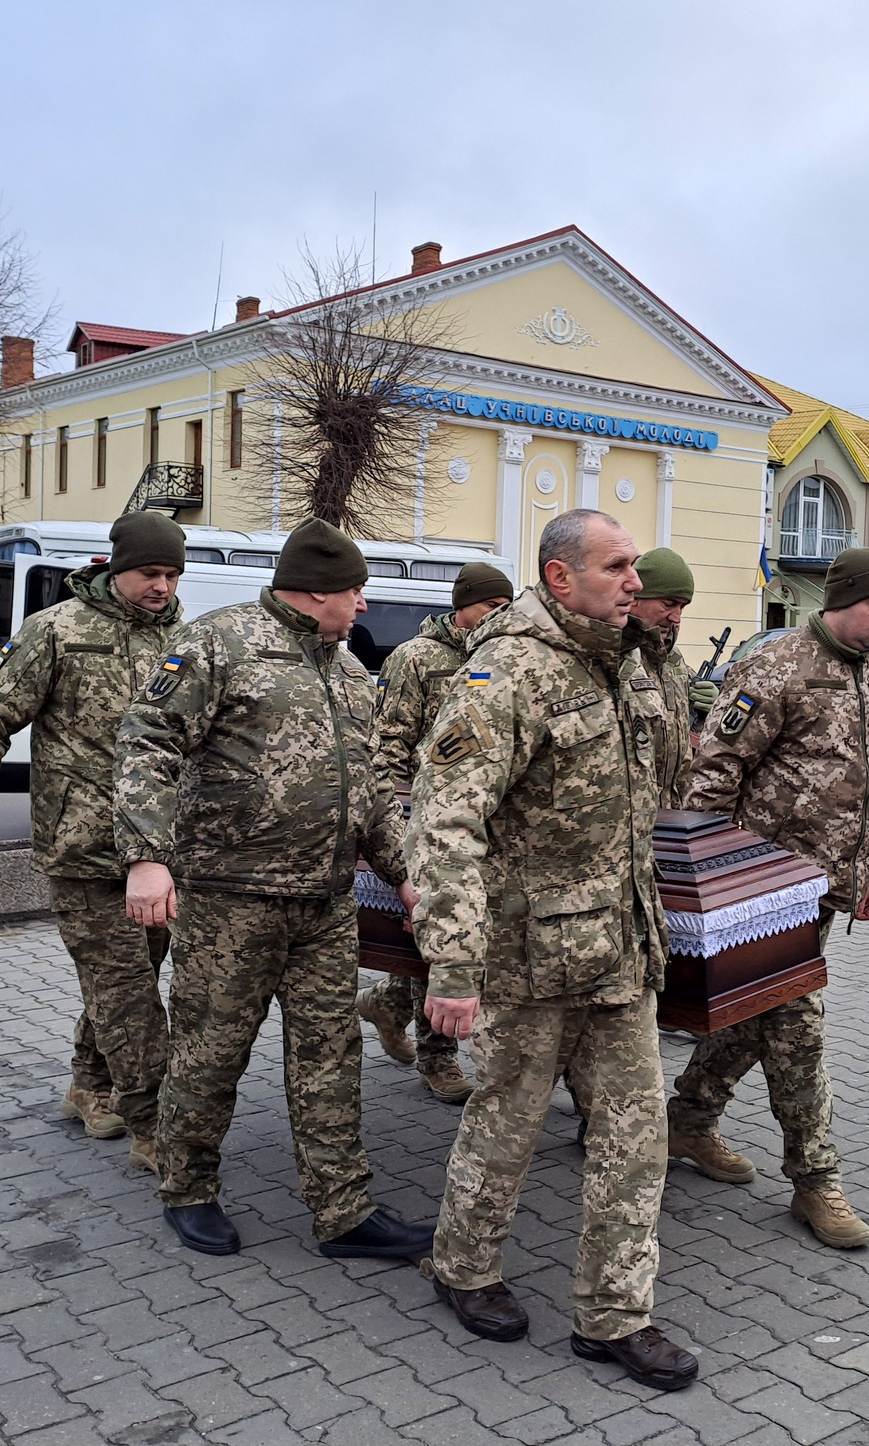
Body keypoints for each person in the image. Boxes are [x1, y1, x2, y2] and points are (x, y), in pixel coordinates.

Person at [409, 508, 696, 1393]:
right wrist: (454, 966)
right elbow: (445, 821)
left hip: (620, 952)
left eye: (635, 568)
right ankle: (463, 1267)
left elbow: (662, 794)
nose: (635, 581)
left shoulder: (632, 670)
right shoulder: (505, 675)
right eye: (617, 567)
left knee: (636, 1138)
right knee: (505, 1126)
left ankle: (613, 1315)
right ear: (561, 577)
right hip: (528, 958)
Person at [117, 518, 433, 1263]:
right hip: (231, 899)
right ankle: (187, 1189)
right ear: (319, 589)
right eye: (355, 591)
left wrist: (406, 870)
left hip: (324, 904)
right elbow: (146, 741)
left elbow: (372, 794)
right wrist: (146, 856)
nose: (362, 605)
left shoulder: (352, 673)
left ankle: (344, 1209)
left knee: (331, 1055)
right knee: (210, 1052)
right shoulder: (219, 642)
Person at [0, 511, 187, 1170]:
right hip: (84, 850)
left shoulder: (186, 643)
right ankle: (156, 1129)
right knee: (127, 990)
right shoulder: (57, 632)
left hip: (158, 853)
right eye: (148, 573)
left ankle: (89, 1085)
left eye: (171, 573)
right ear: (115, 568)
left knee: (126, 980)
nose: (161, 585)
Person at [667, 547, 869, 1252]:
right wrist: (707, 883)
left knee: (751, 1017)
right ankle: (815, 1180)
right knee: (797, 1027)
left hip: (828, 887)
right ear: (839, 600)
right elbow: (714, 775)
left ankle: (688, 1119)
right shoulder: (776, 667)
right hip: (760, 890)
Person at [355, 561, 514, 1102]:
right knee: (439, 936)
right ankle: (438, 1055)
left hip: (489, 825)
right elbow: (388, 746)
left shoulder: (504, 658)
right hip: (430, 822)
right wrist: (399, 825)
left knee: (471, 940)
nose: (499, 615)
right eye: (490, 606)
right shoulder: (417, 659)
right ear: (462, 605)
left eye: (505, 606)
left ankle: (387, 1002)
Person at [628, 546, 714, 804]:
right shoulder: (618, 660)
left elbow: (683, 740)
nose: (675, 617)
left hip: (674, 814)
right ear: (636, 599)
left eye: (682, 607)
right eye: (668, 604)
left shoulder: (674, 663)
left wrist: (711, 712)